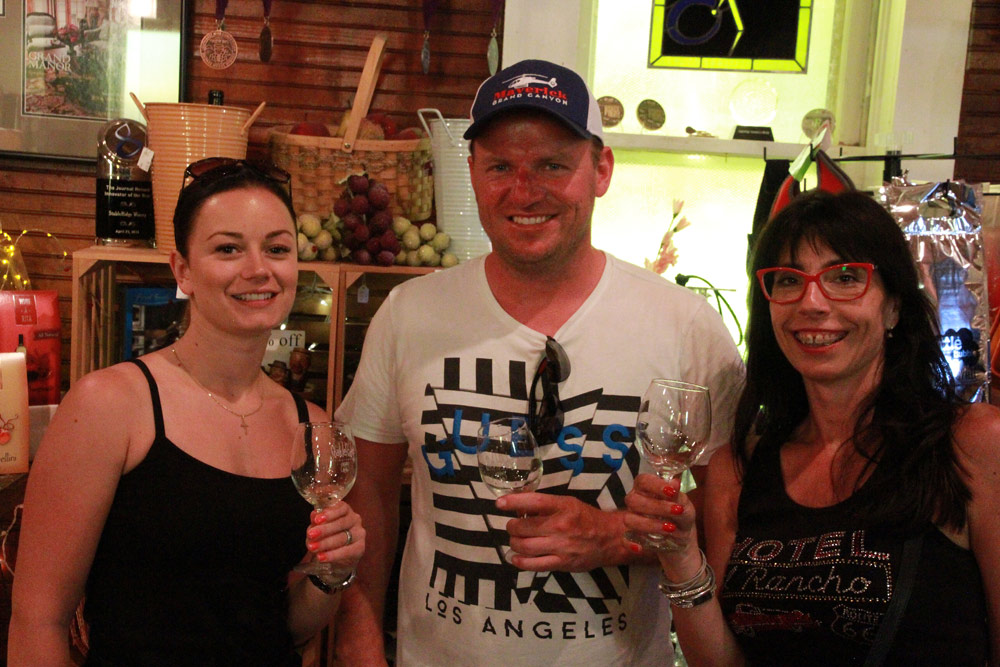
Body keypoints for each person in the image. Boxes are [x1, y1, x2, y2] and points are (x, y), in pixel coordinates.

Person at [332, 59, 744, 666]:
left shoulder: (686, 325)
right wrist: (360, 647)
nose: (524, 192)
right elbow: (365, 491)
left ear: (601, 170)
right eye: (501, 166)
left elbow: (730, 511)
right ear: (472, 173)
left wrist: (618, 537)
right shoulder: (407, 314)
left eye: (553, 165)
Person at [9, 159, 366, 666]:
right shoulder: (109, 405)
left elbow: (281, 626)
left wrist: (332, 572)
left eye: (277, 249)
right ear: (183, 271)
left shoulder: (307, 424)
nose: (258, 268)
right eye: (228, 249)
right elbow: (37, 622)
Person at [624, 189, 999, 665]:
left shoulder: (971, 444)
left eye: (845, 278)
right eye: (788, 280)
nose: (812, 302)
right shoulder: (738, 470)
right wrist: (680, 557)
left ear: (893, 306)